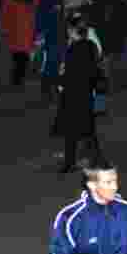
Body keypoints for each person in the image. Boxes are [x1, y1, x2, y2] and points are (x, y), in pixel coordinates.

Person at [53, 13, 104, 174]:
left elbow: (69, 73)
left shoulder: (74, 49)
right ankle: (95, 159)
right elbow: (94, 71)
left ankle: (70, 162)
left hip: (72, 94)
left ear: (74, 30)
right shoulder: (90, 46)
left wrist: (60, 82)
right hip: (86, 93)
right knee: (87, 129)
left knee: (72, 131)